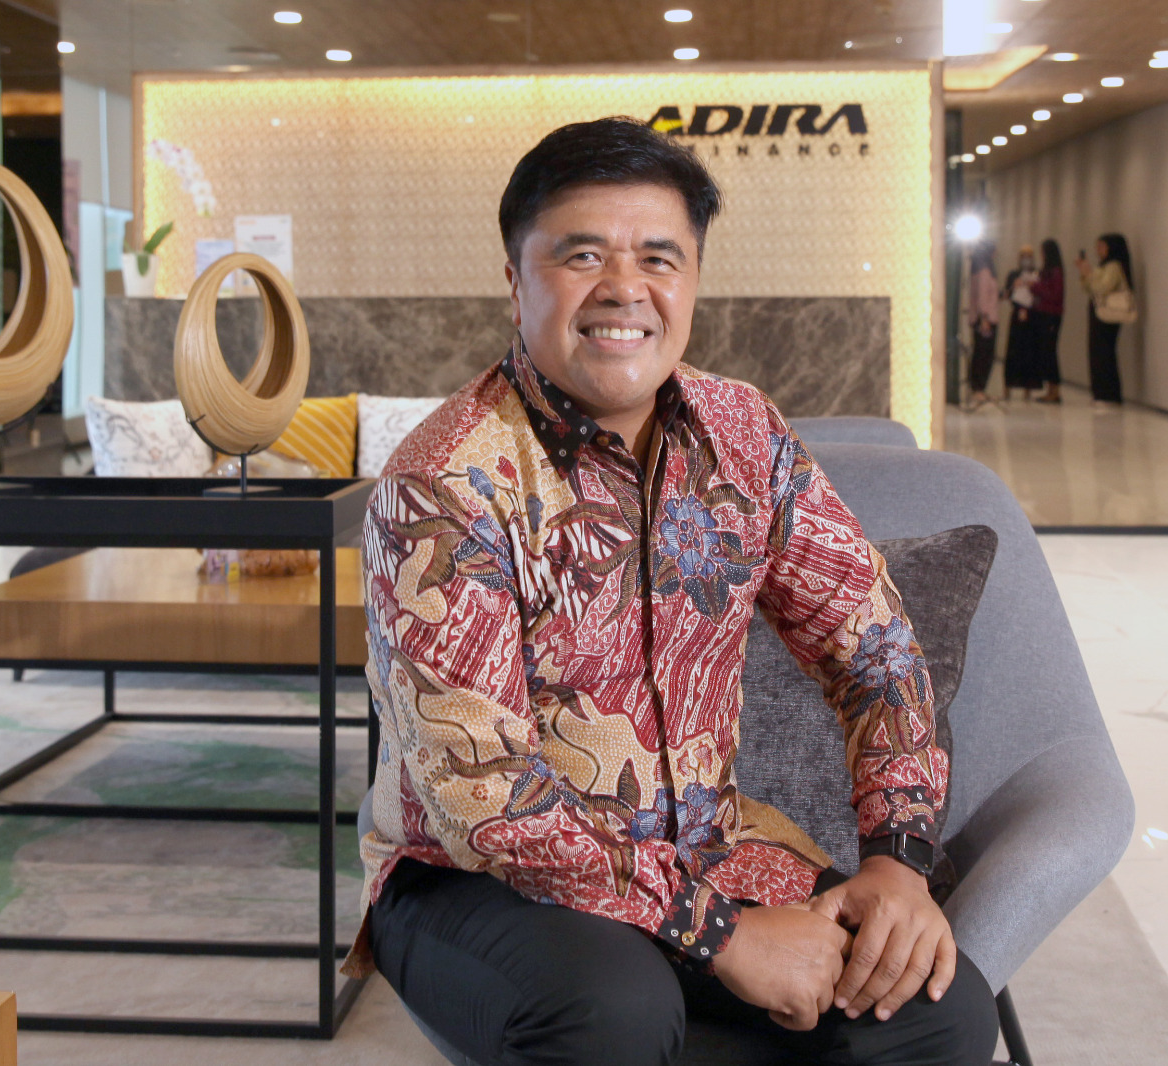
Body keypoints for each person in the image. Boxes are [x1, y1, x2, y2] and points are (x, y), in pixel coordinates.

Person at [345, 117, 999, 1066]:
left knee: (941, 1011)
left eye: (659, 257)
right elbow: (485, 800)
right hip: (474, 877)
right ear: (516, 281)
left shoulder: (744, 433)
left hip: (709, 847)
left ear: (691, 281)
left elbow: (876, 650)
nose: (624, 287)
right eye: (581, 255)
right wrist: (725, 937)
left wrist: (898, 863)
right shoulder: (443, 483)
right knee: (615, 1013)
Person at [1076, 233, 1133, 409]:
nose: (1098, 250)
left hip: (1108, 315)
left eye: (1102, 246)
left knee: (1104, 353)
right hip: (1099, 313)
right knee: (1097, 352)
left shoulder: (1114, 266)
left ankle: (1108, 394)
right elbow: (1089, 288)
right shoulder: (1104, 266)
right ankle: (1100, 393)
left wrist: (1089, 274)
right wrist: (1086, 274)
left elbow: (1102, 288)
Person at [1028, 239, 1065, 404]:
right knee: (1045, 352)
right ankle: (1050, 389)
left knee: (1050, 352)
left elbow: (1055, 294)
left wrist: (1035, 287)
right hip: (1043, 314)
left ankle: (1055, 390)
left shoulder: (1056, 272)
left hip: (1051, 316)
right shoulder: (1047, 271)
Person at [964, 241, 999, 411]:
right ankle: (978, 388)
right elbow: (983, 296)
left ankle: (978, 388)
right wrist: (985, 317)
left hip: (980, 318)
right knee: (984, 353)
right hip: (985, 319)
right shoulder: (985, 271)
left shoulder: (978, 268)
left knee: (980, 352)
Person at [1001, 244, 1038, 401]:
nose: (1026, 259)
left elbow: (1039, 296)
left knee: (1029, 352)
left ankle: (1027, 388)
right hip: (1016, 316)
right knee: (1013, 351)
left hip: (1032, 318)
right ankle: (1008, 387)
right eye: (1023, 256)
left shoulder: (1037, 274)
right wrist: (1013, 287)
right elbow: (1006, 294)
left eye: (1029, 256)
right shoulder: (1013, 274)